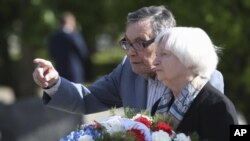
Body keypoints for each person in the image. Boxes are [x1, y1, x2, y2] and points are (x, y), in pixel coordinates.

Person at [32, 5, 224, 115]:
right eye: (127, 42)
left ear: (165, 42)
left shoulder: (203, 79)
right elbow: (87, 99)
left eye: (140, 43)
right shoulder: (127, 72)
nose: (130, 52)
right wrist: (54, 83)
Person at [153, 27, 238, 141]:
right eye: (156, 55)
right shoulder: (159, 106)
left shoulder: (217, 106)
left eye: (164, 54)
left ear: (190, 58)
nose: (155, 62)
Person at [48, 12, 89, 83]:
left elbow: (52, 54)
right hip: (74, 71)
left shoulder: (53, 37)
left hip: (59, 71)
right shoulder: (74, 36)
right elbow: (83, 52)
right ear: (71, 22)